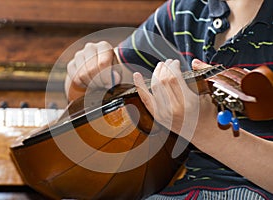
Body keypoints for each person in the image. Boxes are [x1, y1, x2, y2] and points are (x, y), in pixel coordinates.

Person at [65, 0, 273, 199]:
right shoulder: (184, 11)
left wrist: (206, 131)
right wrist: (83, 77)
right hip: (185, 190)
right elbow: (107, 86)